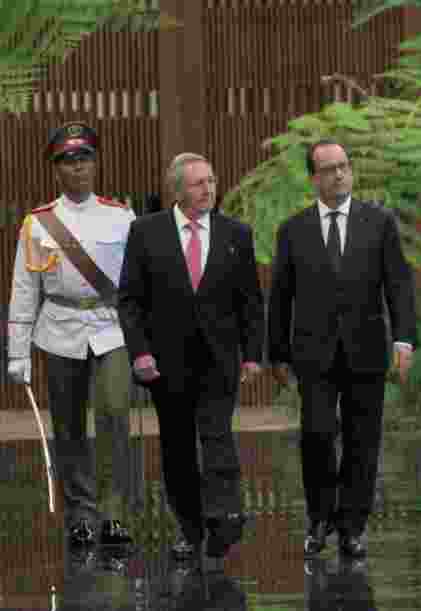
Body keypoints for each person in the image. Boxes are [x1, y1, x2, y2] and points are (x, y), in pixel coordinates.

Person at [267, 139, 417, 558]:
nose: (339, 174)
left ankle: (352, 526)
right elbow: (280, 295)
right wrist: (276, 352)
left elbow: (398, 284)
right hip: (313, 352)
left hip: (366, 348)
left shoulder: (378, 222)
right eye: (329, 169)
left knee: (362, 439)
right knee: (316, 434)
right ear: (314, 178)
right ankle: (319, 518)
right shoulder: (293, 230)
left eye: (344, 166)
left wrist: (403, 339)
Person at [117, 152, 264, 563]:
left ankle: (225, 513)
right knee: (178, 446)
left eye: (212, 181)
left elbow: (250, 300)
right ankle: (189, 527)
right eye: (199, 183)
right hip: (167, 361)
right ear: (178, 190)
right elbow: (129, 300)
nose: (209, 189)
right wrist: (140, 352)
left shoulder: (237, 233)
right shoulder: (147, 232)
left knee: (217, 433)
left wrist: (253, 353)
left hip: (220, 357)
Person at [6, 121, 135, 551]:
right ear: (56, 169)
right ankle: (81, 513)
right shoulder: (38, 224)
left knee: (115, 414)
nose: (78, 169)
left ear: (95, 164)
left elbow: (137, 284)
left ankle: (114, 511)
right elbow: (25, 290)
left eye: (84, 159)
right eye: (68, 161)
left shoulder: (121, 215)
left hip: (110, 329)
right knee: (68, 424)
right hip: (59, 330)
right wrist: (17, 352)